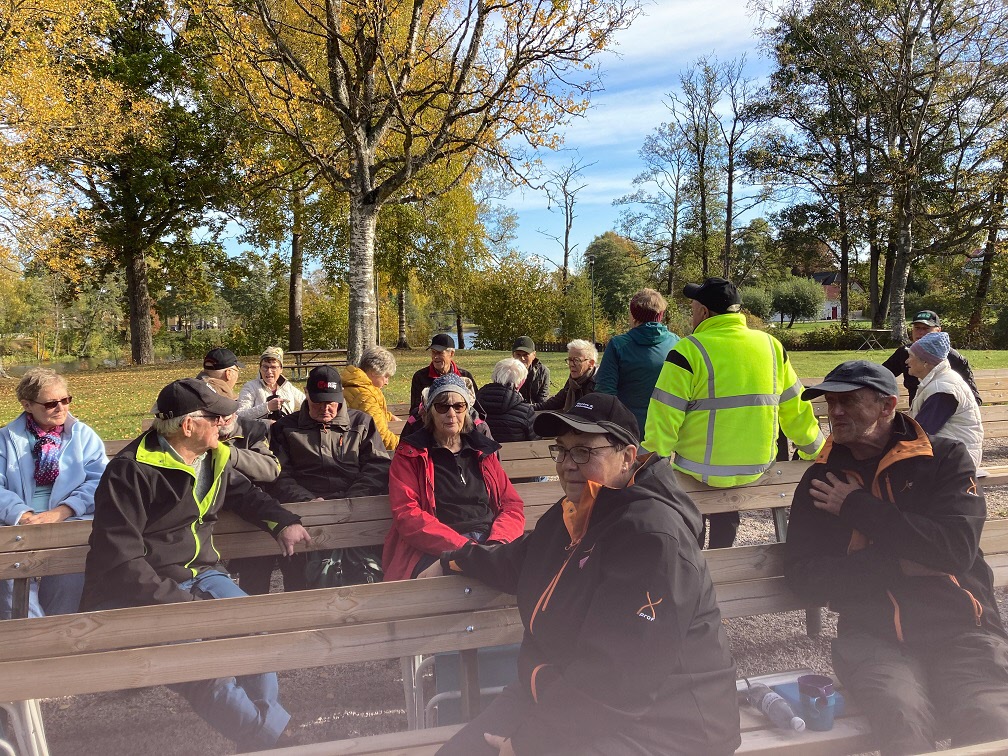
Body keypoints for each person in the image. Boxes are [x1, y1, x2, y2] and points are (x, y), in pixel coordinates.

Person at [419, 393, 740, 755]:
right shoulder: (579, 510)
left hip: (666, 725)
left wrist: (527, 745)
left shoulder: (652, 538)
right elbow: (521, 559)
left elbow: (619, 675)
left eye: (584, 451)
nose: (568, 465)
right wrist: (455, 559)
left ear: (627, 457)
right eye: (563, 450)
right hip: (561, 690)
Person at [784, 360, 1008, 755]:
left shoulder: (944, 459)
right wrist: (899, 564)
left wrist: (856, 506)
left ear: (888, 405)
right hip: (873, 637)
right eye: (830, 403)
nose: (835, 413)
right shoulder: (821, 480)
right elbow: (803, 578)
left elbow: (955, 551)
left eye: (849, 401)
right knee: (902, 724)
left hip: (963, 629)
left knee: (991, 721)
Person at [79, 378, 312, 750]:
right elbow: (120, 560)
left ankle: (267, 736)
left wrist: (282, 521)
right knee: (199, 661)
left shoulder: (211, 456)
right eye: (216, 417)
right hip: (142, 592)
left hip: (203, 574)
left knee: (255, 631)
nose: (225, 422)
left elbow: (245, 494)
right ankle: (271, 740)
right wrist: (185, 605)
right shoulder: (129, 471)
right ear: (188, 425)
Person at [643, 277, 825, 549]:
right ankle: (722, 551)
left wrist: (647, 468)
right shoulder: (771, 346)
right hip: (754, 468)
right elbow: (795, 408)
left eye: (693, 308)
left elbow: (664, 419)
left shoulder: (688, 350)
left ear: (704, 312)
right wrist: (817, 451)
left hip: (697, 471)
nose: (692, 315)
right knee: (725, 524)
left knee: (691, 528)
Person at [383, 373, 525, 582]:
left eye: (459, 406)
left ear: (466, 411)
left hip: (489, 541)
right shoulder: (410, 455)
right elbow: (407, 514)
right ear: (430, 412)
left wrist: (498, 543)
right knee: (453, 580)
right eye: (442, 406)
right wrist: (465, 550)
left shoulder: (483, 452)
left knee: (531, 570)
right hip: (438, 547)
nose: (451, 413)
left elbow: (511, 505)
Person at [0, 368, 107, 619]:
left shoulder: (83, 435)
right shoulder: (5, 439)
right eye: (50, 403)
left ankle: (59, 631)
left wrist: (63, 511)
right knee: (11, 576)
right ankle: (28, 634)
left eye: (65, 400)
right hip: (16, 525)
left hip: (69, 520)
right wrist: (22, 515)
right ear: (27, 405)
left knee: (70, 569)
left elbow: (100, 481)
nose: (61, 408)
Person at [270, 365, 391, 585]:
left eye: (331, 402)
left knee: (363, 570)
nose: (325, 409)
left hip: (357, 510)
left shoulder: (361, 423)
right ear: (306, 395)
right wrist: (308, 501)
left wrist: (352, 498)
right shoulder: (285, 428)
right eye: (318, 402)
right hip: (305, 511)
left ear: (341, 396)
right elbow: (279, 474)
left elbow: (378, 466)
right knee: (301, 576)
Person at [200, 378, 295, 595]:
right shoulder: (195, 438)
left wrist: (228, 453)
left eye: (228, 413)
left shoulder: (251, 429)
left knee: (255, 578)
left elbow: (271, 469)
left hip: (250, 515)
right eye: (215, 416)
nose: (223, 421)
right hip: (207, 521)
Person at [595, 288, 680, 432]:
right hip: (665, 429)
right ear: (660, 314)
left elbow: (604, 392)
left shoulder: (618, 345)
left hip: (626, 429)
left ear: (633, 315)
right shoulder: (677, 343)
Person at [907, 331, 983, 468]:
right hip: (951, 455)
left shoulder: (943, 389)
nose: (907, 361)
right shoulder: (940, 381)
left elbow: (921, 432)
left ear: (925, 362)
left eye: (911, 356)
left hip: (957, 461)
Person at [882, 309, 980, 405]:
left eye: (926, 328)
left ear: (938, 331)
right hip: (916, 412)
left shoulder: (955, 359)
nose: (920, 332)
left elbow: (974, 399)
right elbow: (881, 374)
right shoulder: (903, 353)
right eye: (917, 328)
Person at [342, 346, 401, 451]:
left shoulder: (362, 387)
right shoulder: (365, 396)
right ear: (374, 371)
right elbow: (380, 436)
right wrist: (405, 447)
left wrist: (389, 417)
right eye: (386, 376)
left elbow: (373, 413)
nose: (387, 382)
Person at [409, 333, 478, 415]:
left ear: (451, 354)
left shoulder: (465, 376)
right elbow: (414, 410)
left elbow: (476, 406)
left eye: (439, 353)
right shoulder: (420, 377)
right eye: (433, 352)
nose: (435, 357)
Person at [475, 358, 538, 442]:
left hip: (482, 450)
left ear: (494, 377)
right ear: (521, 382)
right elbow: (534, 440)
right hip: (518, 450)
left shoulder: (474, 405)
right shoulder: (526, 411)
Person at [237, 346, 306, 422]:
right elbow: (240, 415)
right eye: (265, 367)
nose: (269, 371)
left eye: (273, 367)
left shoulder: (287, 386)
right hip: (261, 429)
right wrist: (267, 407)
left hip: (286, 427)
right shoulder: (251, 387)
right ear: (260, 368)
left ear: (281, 369)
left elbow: (306, 403)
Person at [533, 338, 598, 412]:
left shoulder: (598, 385)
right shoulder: (573, 382)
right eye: (570, 360)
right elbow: (553, 403)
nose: (571, 364)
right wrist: (527, 408)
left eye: (577, 360)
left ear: (591, 363)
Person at [511, 336, 550, 405]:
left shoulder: (543, 372)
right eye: (518, 355)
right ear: (513, 355)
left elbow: (543, 400)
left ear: (534, 355)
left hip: (534, 409)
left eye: (525, 355)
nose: (522, 358)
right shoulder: (506, 370)